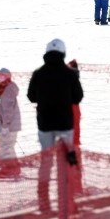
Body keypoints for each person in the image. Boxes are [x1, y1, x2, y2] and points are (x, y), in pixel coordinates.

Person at [27, 38, 84, 208]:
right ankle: (69, 198)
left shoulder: (39, 73)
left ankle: (43, 201)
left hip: (44, 123)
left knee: (46, 161)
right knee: (68, 159)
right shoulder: (69, 74)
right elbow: (78, 97)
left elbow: (31, 97)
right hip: (65, 123)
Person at [0, 67, 22, 169]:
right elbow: (4, 109)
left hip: (9, 126)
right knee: (8, 146)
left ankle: (8, 168)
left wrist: (5, 126)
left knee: (5, 147)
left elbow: (8, 111)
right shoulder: (7, 90)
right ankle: (14, 167)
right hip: (11, 125)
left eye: (2, 77)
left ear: (7, 77)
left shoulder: (8, 90)